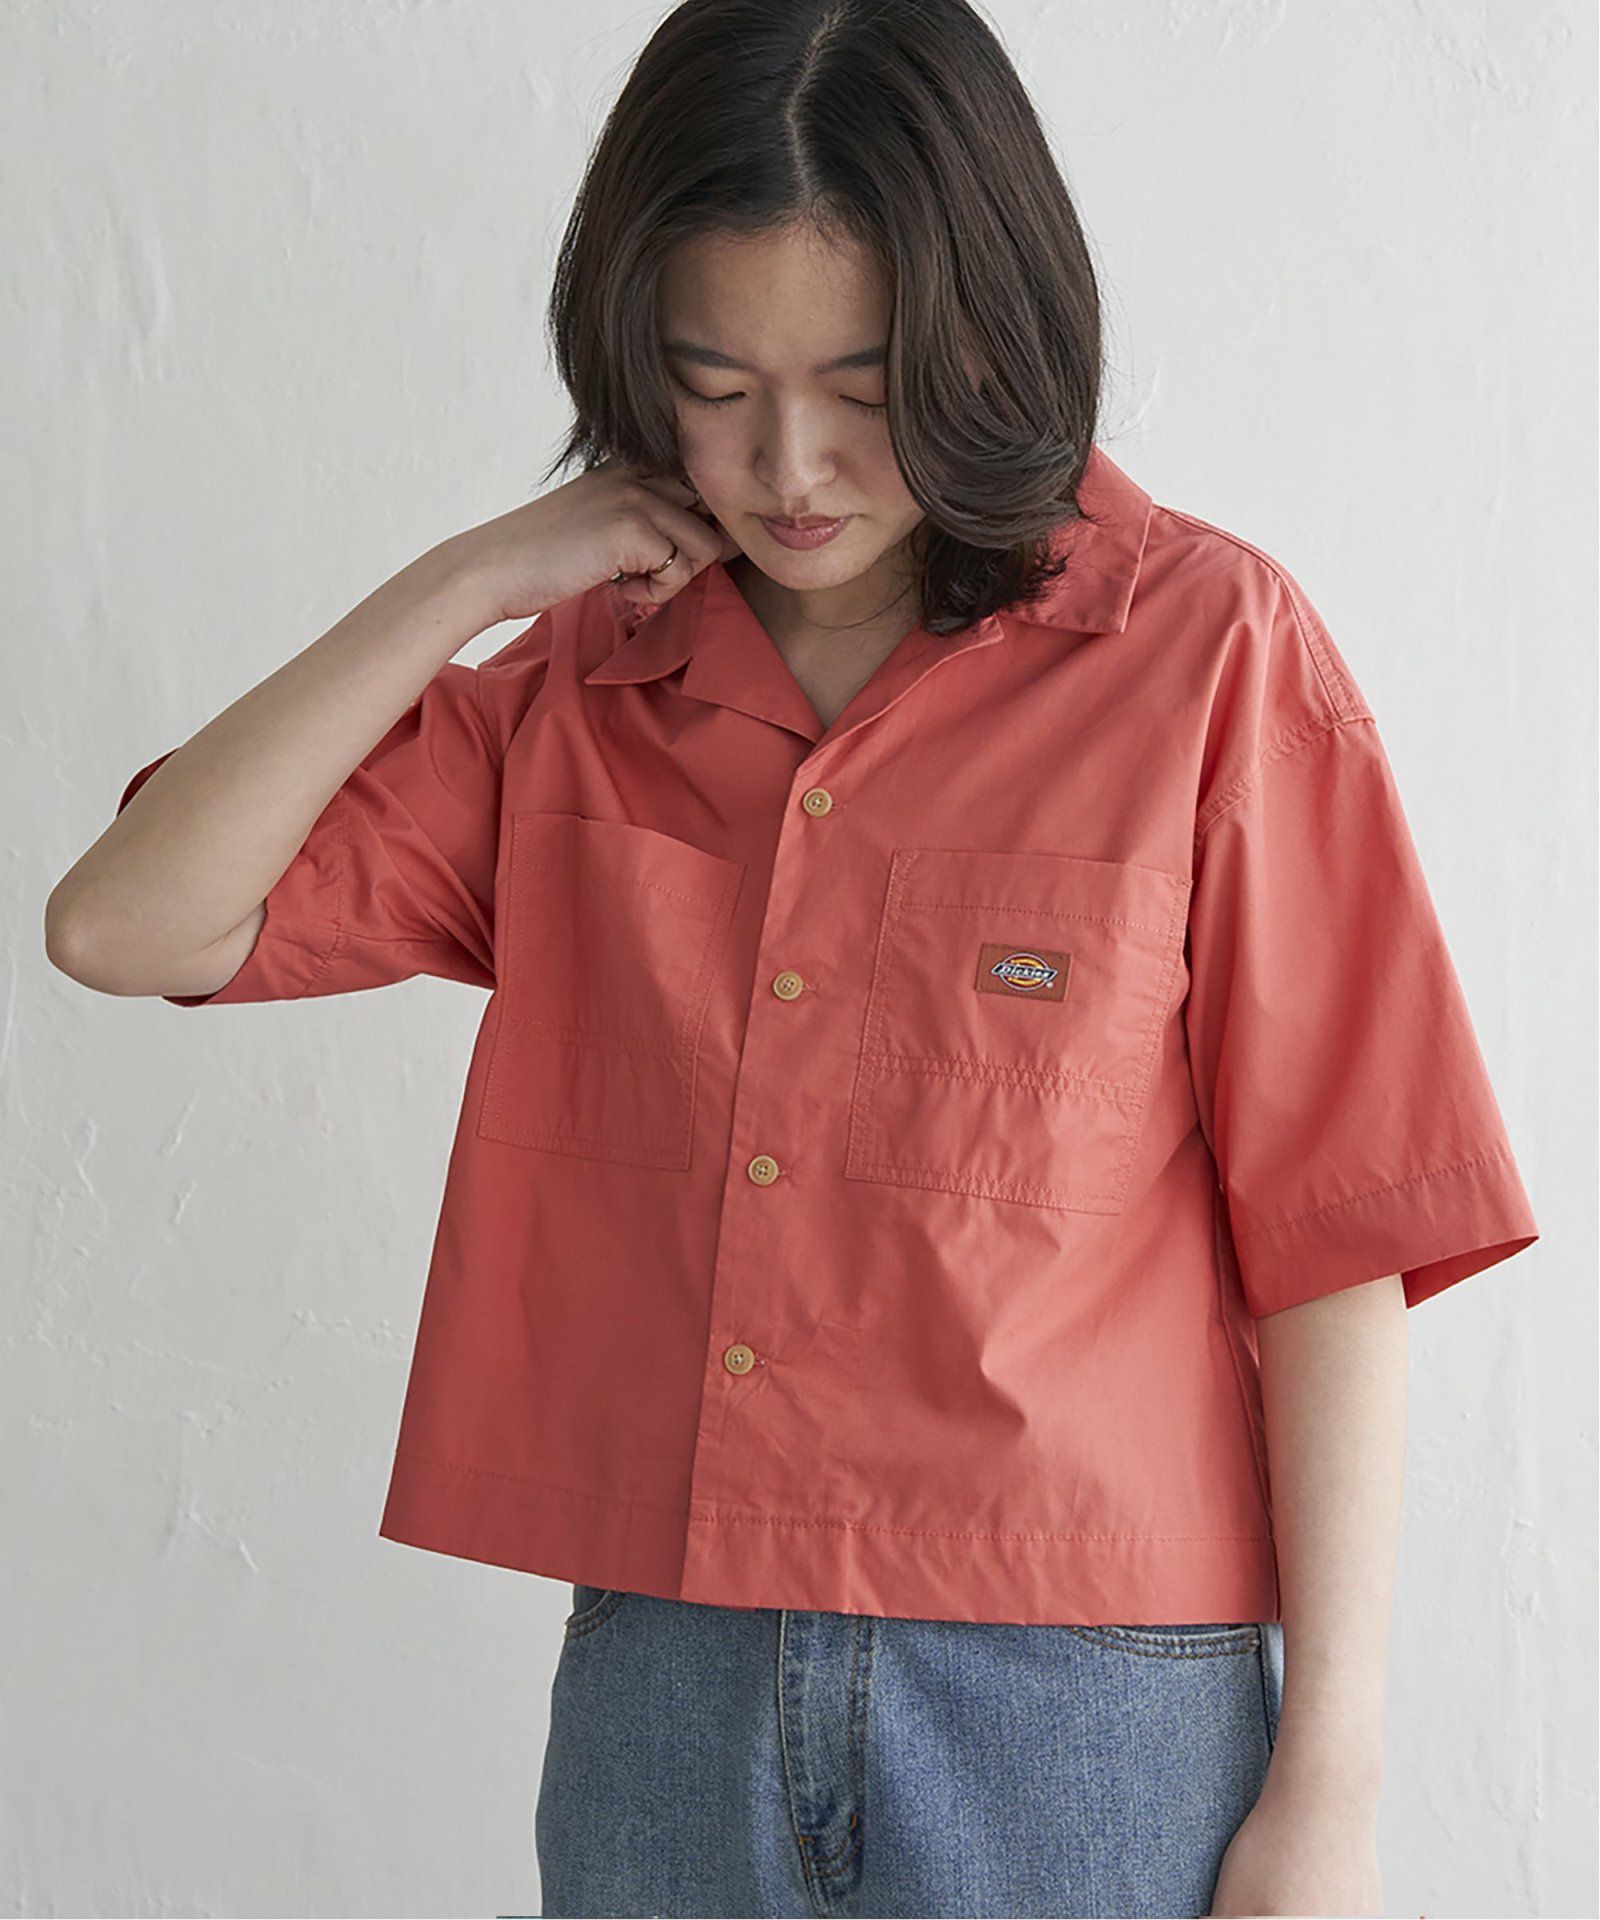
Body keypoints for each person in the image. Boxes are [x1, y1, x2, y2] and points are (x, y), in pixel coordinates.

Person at [45, 1, 1540, 1915]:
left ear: (991, 337)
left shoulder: (1207, 654)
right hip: (670, 1677)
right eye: (714, 383)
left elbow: (1339, 1236)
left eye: (864, 382)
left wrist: (1329, 1782)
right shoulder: (578, 694)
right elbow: (127, 923)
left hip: (1084, 1699)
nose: (792, 461)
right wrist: (473, 580)